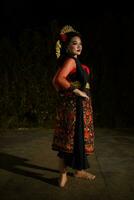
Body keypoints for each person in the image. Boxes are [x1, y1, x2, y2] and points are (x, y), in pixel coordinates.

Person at [52, 25, 95, 187]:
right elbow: (59, 80)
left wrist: (65, 94)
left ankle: (78, 171)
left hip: (77, 106)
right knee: (70, 138)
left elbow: (54, 81)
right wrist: (76, 92)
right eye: (75, 43)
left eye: (80, 44)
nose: (79, 46)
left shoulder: (72, 61)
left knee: (75, 139)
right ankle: (63, 175)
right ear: (67, 46)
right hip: (75, 106)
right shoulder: (70, 61)